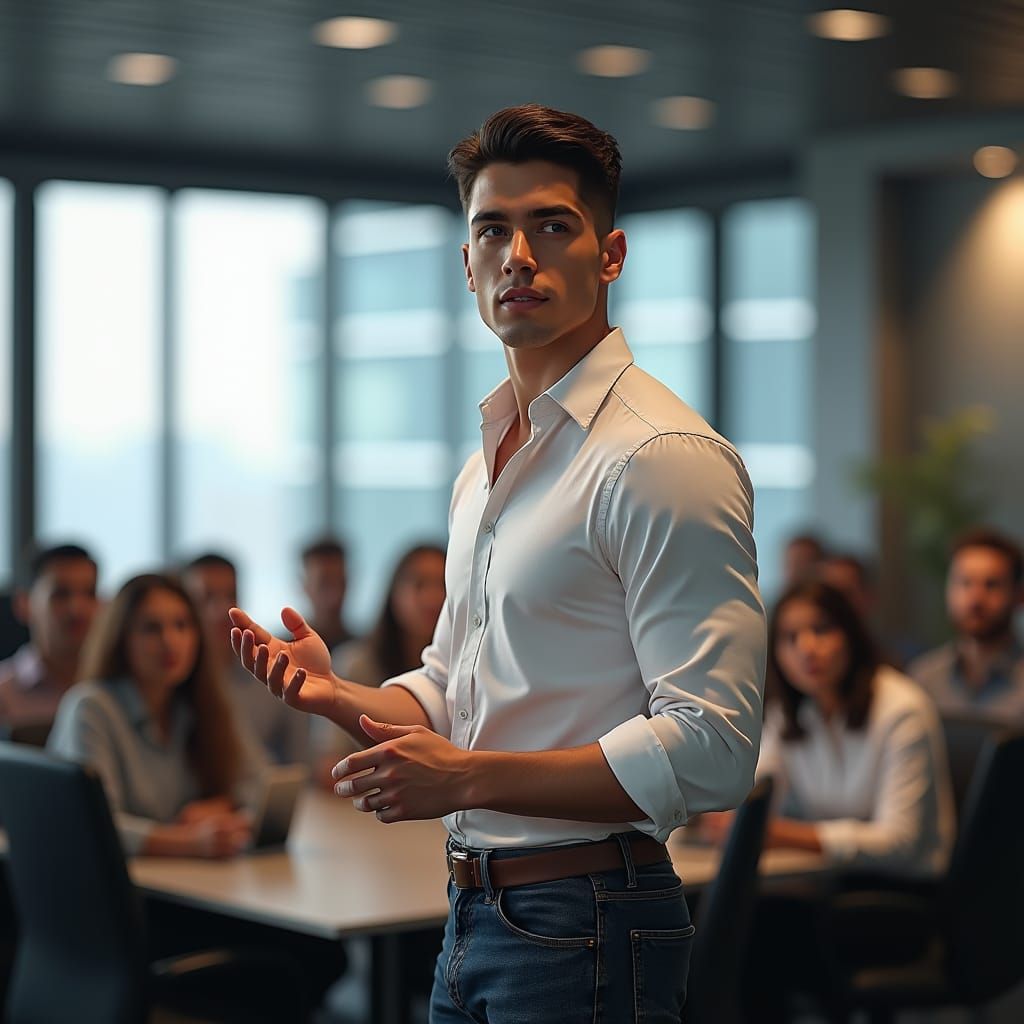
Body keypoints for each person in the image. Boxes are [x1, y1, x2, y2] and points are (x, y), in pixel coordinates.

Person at [229, 104, 766, 1022]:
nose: (519, 253)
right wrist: (342, 699)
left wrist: (470, 775)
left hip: (593, 910)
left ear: (610, 255)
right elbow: (454, 689)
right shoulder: (486, 466)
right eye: (494, 230)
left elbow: (715, 746)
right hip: (477, 908)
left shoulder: (661, 456)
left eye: (553, 225)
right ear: (467, 264)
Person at [703, 580, 954, 1023]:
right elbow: (751, 792)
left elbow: (902, 843)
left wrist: (776, 833)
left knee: (752, 934)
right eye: (790, 637)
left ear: (851, 635)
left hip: (903, 901)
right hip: (835, 886)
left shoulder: (901, 709)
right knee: (725, 924)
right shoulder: (793, 712)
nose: (807, 648)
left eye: (821, 629)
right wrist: (727, 812)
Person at [48, 573, 262, 858]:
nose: (170, 641)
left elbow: (260, 783)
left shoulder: (203, 704)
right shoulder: (91, 708)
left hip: (190, 881)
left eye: (182, 625)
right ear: (121, 638)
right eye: (151, 628)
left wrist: (224, 805)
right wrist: (189, 843)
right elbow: (90, 823)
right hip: (122, 888)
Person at [312, 542, 447, 784]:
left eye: (443, 585)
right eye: (419, 584)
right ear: (394, 593)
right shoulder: (357, 663)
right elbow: (326, 766)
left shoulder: (465, 668)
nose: (433, 598)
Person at [181, 552, 308, 764]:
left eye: (231, 596)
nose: (222, 610)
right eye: (206, 598)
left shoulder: (270, 670)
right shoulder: (173, 681)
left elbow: (301, 763)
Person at [908, 527, 1024, 720]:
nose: (975, 599)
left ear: (1019, 595)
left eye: (991, 584)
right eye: (964, 582)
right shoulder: (923, 679)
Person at [0, 543, 99, 737]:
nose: (77, 609)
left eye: (89, 593)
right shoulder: (3, 694)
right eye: (61, 594)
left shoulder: (116, 687)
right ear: (24, 604)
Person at [299, 537, 354, 652]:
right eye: (324, 584)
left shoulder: (368, 651)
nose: (335, 593)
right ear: (304, 585)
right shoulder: (282, 653)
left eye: (340, 581)